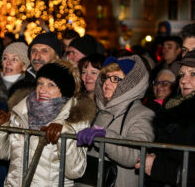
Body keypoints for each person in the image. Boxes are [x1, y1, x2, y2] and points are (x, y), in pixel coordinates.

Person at [0, 59, 96, 186]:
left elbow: (75, 171)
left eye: (51, 85)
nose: (42, 90)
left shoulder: (75, 118)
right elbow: (5, 154)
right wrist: (1, 127)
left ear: (64, 90)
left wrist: (63, 136)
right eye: (40, 83)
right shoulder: (22, 110)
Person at [76, 54, 155, 187]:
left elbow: (135, 155)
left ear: (131, 83)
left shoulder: (142, 114)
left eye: (115, 78)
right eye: (106, 77)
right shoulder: (99, 109)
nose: (107, 82)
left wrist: (106, 138)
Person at [135, 50, 195, 186]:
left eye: (193, 74)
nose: (184, 80)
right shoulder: (173, 107)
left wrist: (157, 167)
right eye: (182, 75)